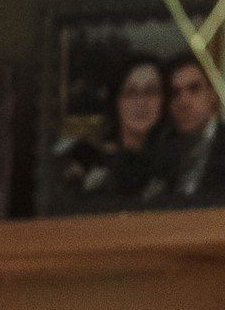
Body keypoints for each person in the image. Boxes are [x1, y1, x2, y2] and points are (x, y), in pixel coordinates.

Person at [54, 53, 171, 209]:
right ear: (116, 100)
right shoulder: (83, 157)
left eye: (151, 92)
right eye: (131, 92)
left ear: (164, 100)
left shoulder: (173, 162)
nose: (141, 102)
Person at [163, 57, 225, 206]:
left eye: (194, 89)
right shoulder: (164, 148)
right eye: (175, 93)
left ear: (212, 94)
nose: (184, 101)